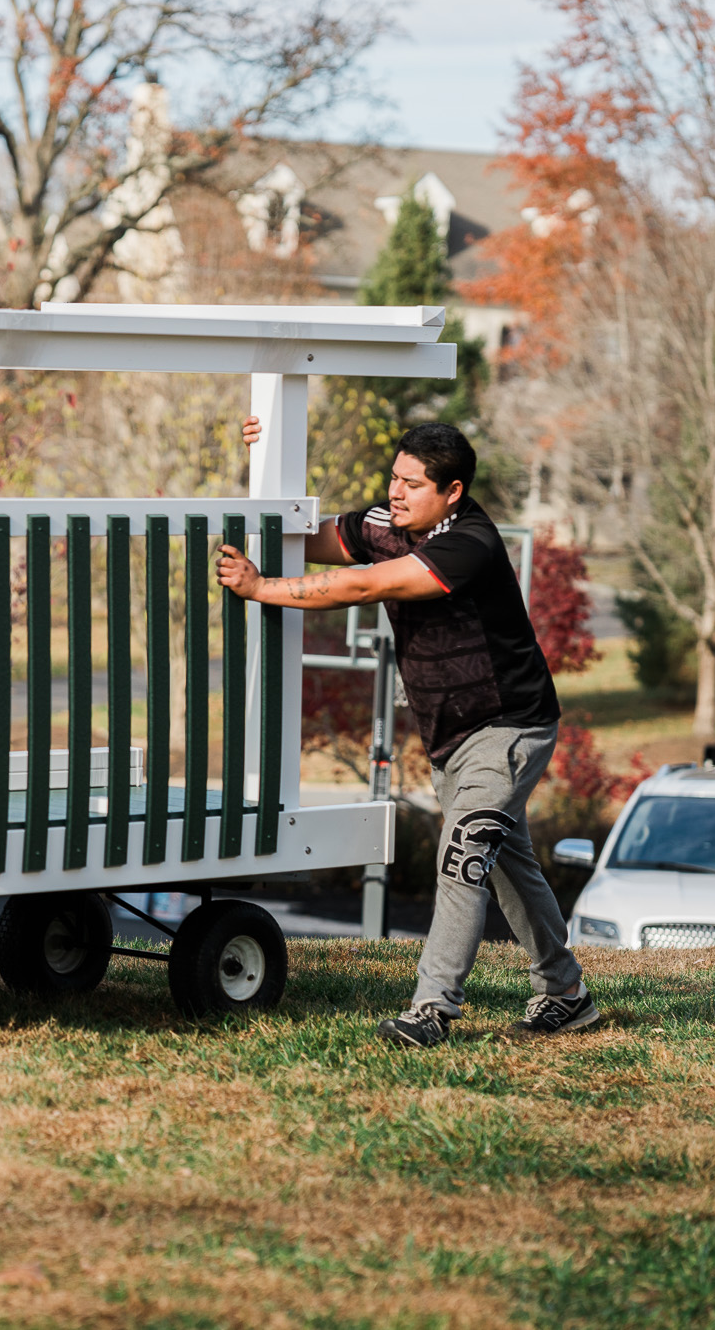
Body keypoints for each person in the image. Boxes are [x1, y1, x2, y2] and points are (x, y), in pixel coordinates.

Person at [218, 419, 598, 1047]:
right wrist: (264, 454)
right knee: (505, 865)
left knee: (463, 856)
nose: (395, 493)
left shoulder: (469, 543)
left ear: (451, 492)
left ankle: (433, 1009)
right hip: (451, 734)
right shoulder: (383, 524)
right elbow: (302, 537)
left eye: (412, 485)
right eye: (393, 478)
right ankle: (566, 993)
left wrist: (263, 589)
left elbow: (364, 585)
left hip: (509, 727)